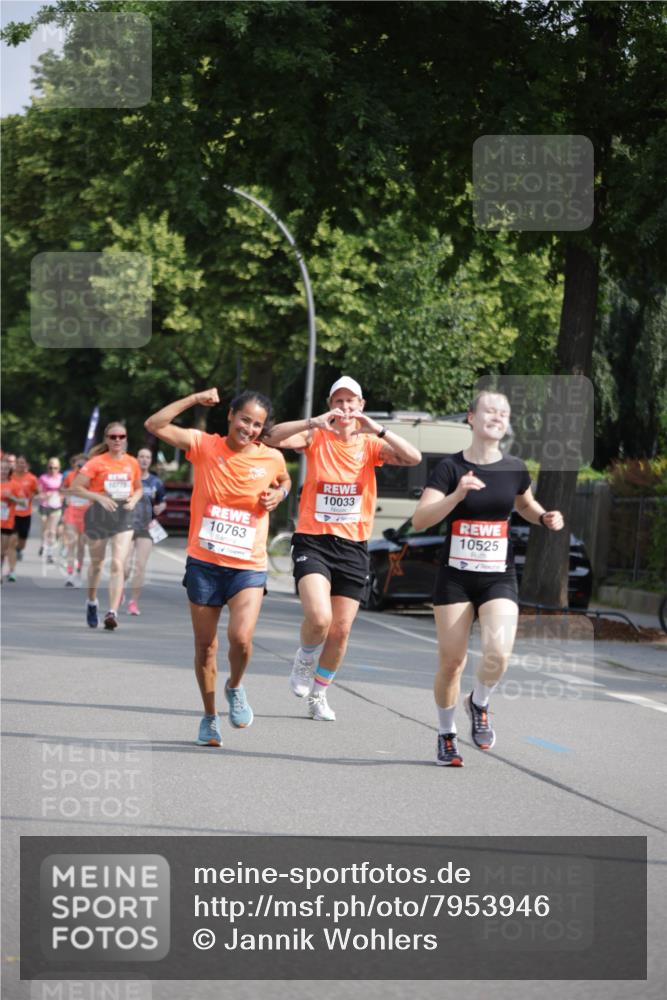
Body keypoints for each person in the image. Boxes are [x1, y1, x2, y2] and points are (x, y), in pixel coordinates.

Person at [411, 390, 564, 767]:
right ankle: (446, 735)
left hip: (498, 576)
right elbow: (420, 519)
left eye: (504, 412)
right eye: (489, 410)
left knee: (499, 652)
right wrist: (457, 495)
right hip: (455, 579)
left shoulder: (514, 468)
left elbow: (525, 504)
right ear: (471, 418)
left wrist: (544, 516)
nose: (497, 416)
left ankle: (478, 702)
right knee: (452, 662)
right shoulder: (450, 469)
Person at [264, 376, 422, 721]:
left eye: (352, 402)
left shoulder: (370, 446)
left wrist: (377, 429)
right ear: (330, 404)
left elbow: (413, 457)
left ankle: (319, 694)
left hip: (353, 546)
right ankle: (305, 659)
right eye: (339, 401)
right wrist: (312, 421)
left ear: (361, 406)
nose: (345, 408)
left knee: (341, 629)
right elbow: (270, 437)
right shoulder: (315, 436)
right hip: (314, 541)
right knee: (320, 618)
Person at [144, 388, 291, 748]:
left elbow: (284, 480)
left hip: (248, 565)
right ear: (230, 415)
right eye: (245, 420)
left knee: (241, 638)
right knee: (205, 648)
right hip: (205, 564)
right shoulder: (203, 445)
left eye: (257, 425)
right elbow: (154, 423)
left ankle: (235, 687)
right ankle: (209, 717)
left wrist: (280, 495)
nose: (250, 429)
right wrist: (195, 399)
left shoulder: (271, 458)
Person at [70, 424, 143, 630]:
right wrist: (98, 497)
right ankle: (92, 601)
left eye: (121, 436)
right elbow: (75, 488)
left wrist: (134, 500)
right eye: (113, 436)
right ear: (106, 439)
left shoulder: (132, 462)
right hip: (98, 516)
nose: (117, 440)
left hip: (123, 516)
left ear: (126, 438)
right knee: (97, 564)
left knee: (118, 564)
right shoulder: (96, 463)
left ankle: (112, 612)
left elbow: (138, 488)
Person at [123, 447, 167, 615]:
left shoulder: (156, 482)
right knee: (124, 566)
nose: (144, 460)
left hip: (147, 527)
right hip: (127, 525)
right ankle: (119, 592)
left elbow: (163, 501)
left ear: (150, 461)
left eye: (147, 457)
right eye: (141, 456)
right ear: (136, 459)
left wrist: (159, 508)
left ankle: (133, 602)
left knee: (140, 566)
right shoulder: (129, 479)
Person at [61, 454, 89, 586]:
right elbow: (63, 489)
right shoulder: (70, 476)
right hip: (72, 512)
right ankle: (70, 574)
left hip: (86, 514)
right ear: (74, 465)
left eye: (83, 465)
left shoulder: (91, 478)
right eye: (78, 465)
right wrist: (66, 494)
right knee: (71, 543)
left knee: (81, 546)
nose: (80, 468)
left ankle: (78, 572)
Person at [11, 455, 39, 560]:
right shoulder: (10, 476)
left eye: (23, 463)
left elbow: (37, 492)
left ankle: (19, 549)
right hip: (12, 513)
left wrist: (33, 496)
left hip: (25, 513)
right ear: (15, 464)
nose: (20, 465)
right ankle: (11, 552)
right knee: (11, 537)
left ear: (26, 465)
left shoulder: (32, 478)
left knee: (23, 540)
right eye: (18, 463)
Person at [37, 457, 64, 562]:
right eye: (50, 467)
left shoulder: (62, 478)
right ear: (47, 467)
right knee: (45, 529)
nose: (53, 470)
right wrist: (45, 495)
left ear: (59, 468)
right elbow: (39, 493)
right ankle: (43, 544)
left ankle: (49, 553)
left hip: (56, 506)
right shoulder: (43, 478)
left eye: (55, 468)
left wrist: (61, 496)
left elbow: (65, 491)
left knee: (52, 531)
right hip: (44, 506)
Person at [1, 456, 21, 582]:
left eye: (5, 469)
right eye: (0, 468)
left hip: (6, 521)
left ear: (9, 471)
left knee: (2, 550)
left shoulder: (14, 484)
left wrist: (12, 497)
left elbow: (22, 502)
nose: (2, 471)